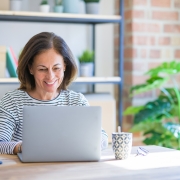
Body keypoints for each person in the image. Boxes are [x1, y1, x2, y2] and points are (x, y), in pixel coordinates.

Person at [0, 32, 108, 154]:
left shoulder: (76, 101)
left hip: (68, 169)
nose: (50, 76)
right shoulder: (12, 101)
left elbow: (103, 138)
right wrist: (21, 147)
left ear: (65, 66)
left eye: (56, 68)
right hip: (27, 171)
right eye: (42, 69)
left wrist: (90, 143)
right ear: (31, 68)